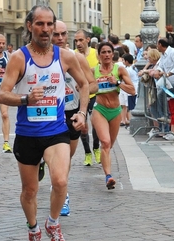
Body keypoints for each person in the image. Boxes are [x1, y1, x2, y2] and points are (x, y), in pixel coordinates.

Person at [0, 5, 89, 241]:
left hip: (56, 130)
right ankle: (34, 230)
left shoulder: (65, 57)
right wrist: (26, 99)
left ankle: (53, 223)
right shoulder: (19, 57)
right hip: (27, 134)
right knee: (30, 191)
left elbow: (84, 85)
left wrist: (81, 113)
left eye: (50, 24)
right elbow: (2, 94)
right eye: (40, 24)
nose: (46, 29)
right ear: (30, 26)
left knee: (60, 181)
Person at [45, 20, 98, 216]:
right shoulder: (41, 58)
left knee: (66, 158)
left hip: (70, 112)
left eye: (63, 34)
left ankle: (60, 191)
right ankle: (60, 190)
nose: (59, 38)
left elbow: (93, 85)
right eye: (56, 34)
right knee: (54, 157)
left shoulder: (76, 59)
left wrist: (82, 90)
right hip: (48, 113)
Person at [91, 42, 135, 189]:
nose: (106, 55)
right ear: (99, 55)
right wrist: (92, 85)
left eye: (109, 52)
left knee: (109, 145)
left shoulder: (119, 69)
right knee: (105, 142)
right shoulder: (94, 71)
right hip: (100, 110)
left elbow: (132, 90)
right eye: (103, 52)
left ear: (113, 54)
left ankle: (107, 170)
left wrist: (116, 82)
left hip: (115, 111)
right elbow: (83, 87)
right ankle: (108, 176)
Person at [74, 29, 101, 166]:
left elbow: (102, 70)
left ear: (88, 40)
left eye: (81, 40)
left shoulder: (95, 55)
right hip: (79, 97)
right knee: (83, 127)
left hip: (94, 93)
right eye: (76, 40)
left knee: (96, 123)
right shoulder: (72, 55)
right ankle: (87, 153)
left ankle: (96, 147)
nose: (78, 43)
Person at [155, 38, 174, 141]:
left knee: (172, 105)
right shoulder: (163, 55)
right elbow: (161, 66)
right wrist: (159, 71)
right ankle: (171, 128)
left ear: (161, 45)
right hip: (168, 82)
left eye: (158, 44)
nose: (157, 46)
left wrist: (169, 73)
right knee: (170, 106)